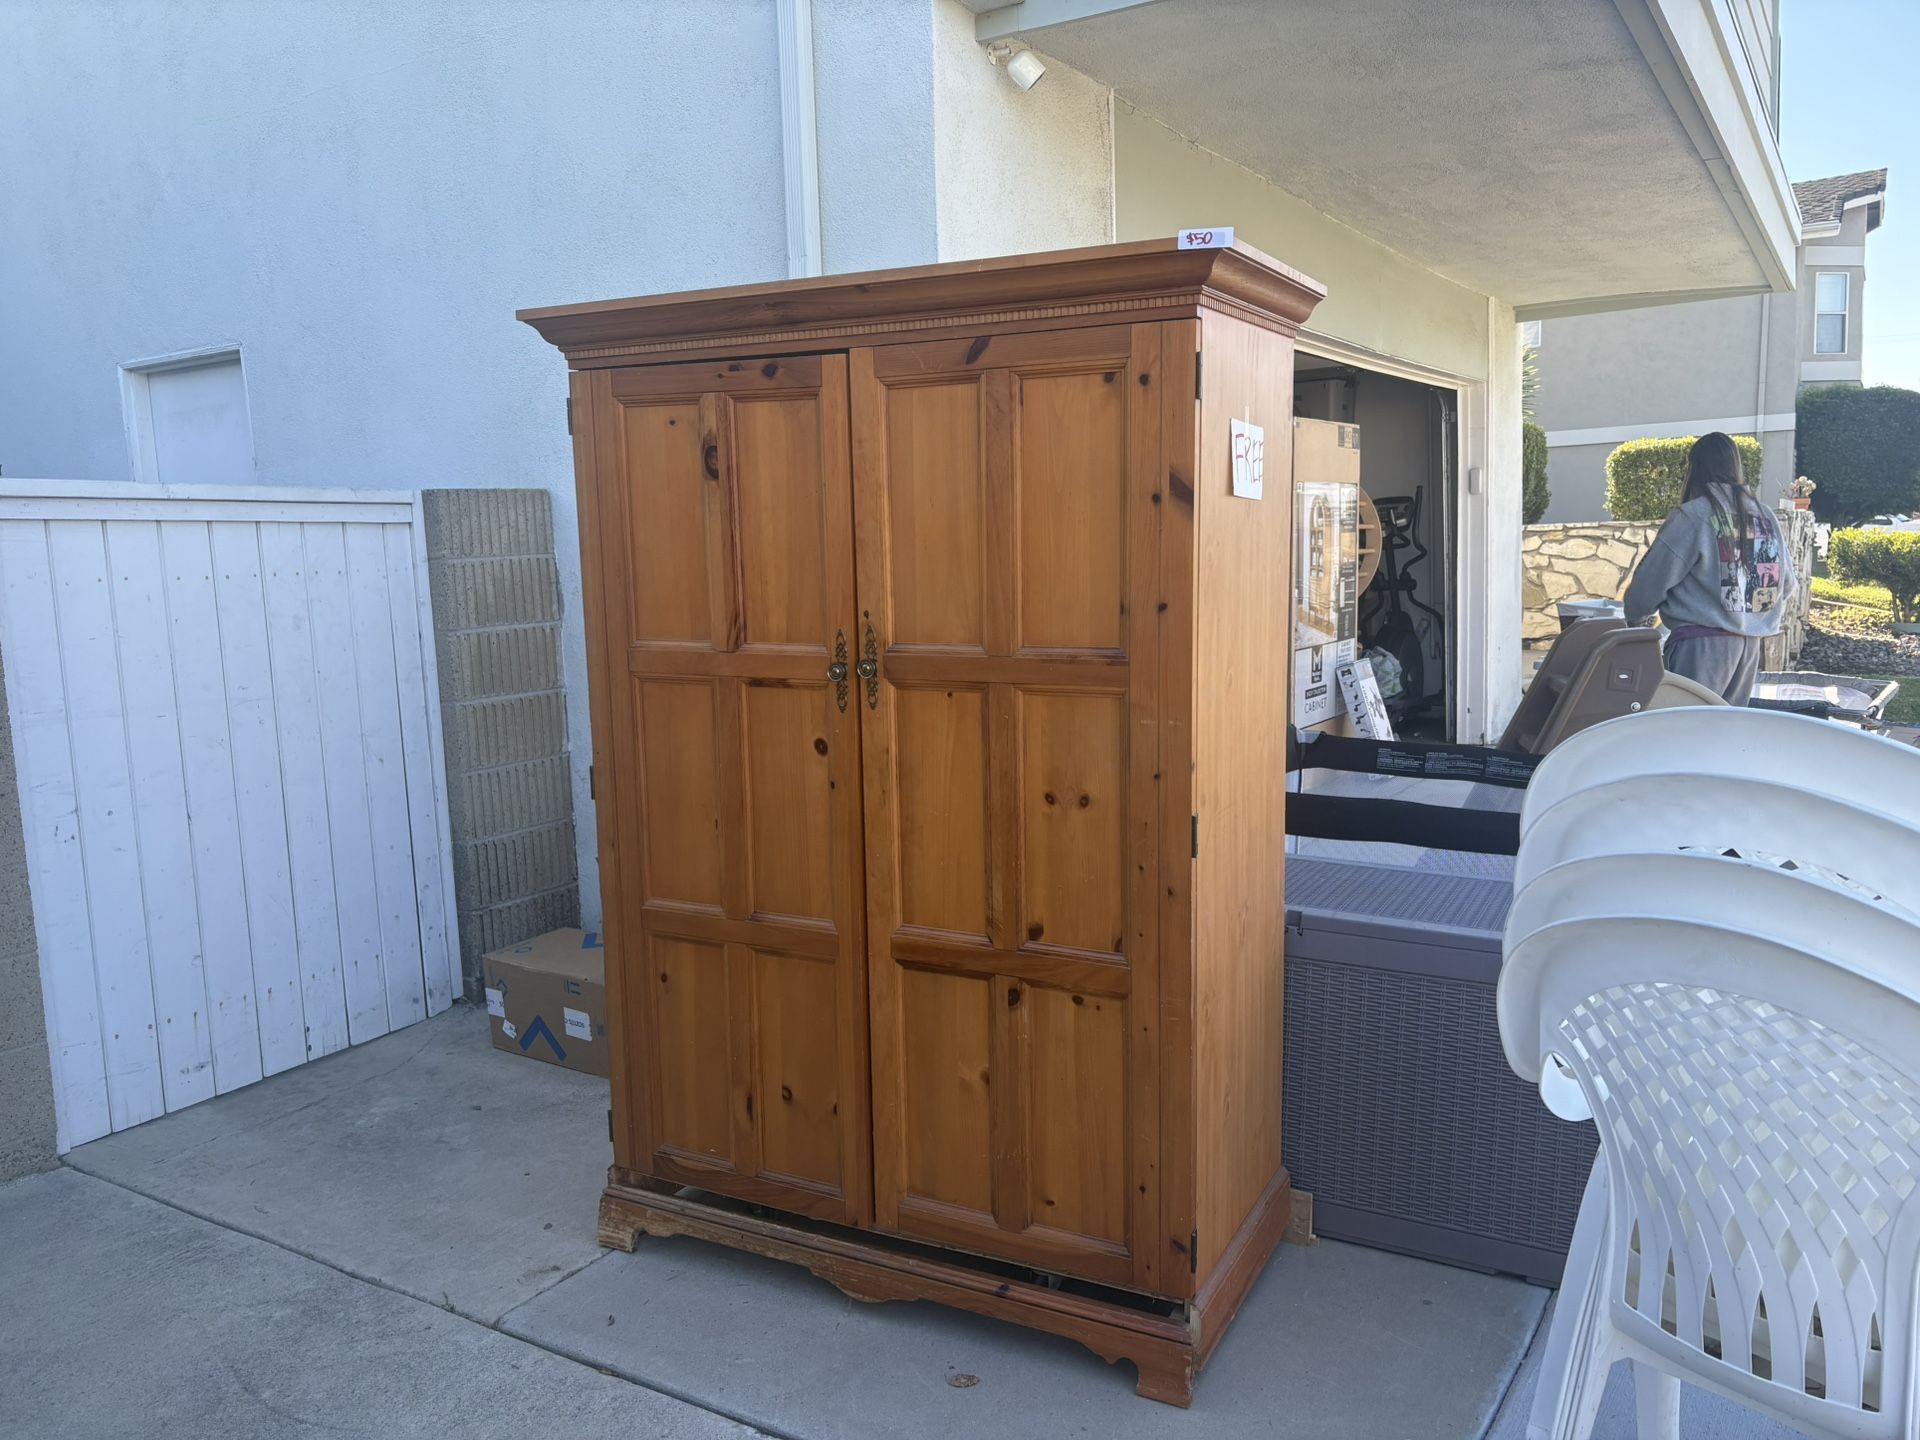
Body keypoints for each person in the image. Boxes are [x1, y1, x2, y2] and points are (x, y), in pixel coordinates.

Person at [1621, 432, 1797, 705]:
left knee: (1686, 733)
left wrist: (1635, 616)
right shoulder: (1764, 517)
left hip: (1700, 646)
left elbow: (1650, 583)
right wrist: (1749, 616)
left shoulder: (1694, 515)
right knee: (1724, 736)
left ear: (1695, 468)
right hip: (1749, 646)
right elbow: (1786, 583)